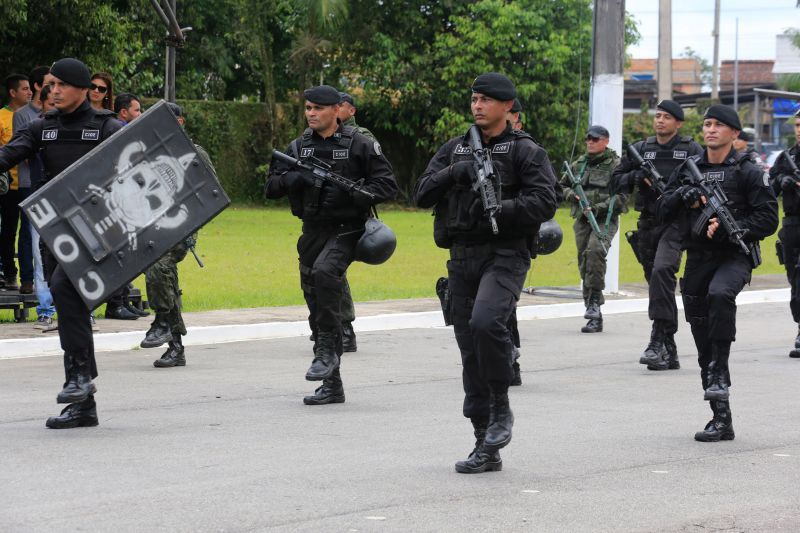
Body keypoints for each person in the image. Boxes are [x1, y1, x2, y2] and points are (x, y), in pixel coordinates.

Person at [414, 73, 558, 473]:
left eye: (485, 100)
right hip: (462, 256)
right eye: (474, 98)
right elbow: (420, 192)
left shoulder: (526, 151)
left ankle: (500, 407)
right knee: (469, 349)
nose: (477, 106)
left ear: (507, 107)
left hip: (506, 253)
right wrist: (452, 175)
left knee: (485, 322)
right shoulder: (455, 148)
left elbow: (546, 201)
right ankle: (485, 444)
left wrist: (502, 210)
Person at [0, 58, 124, 428]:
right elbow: (9, 154)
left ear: (83, 89)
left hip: (97, 233)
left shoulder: (107, 126)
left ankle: (79, 379)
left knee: (62, 289)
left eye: (60, 84)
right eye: (49, 84)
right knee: (70, 307)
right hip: (56, 232)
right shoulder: (43, 127)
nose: (52, 90)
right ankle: (83, 403)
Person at [266, 85, 397, 406]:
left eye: (317, 108)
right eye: (307, 107)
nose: (310, 113)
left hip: (349, 229)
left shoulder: (360, 145)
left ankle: (326, 349)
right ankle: (332, 383)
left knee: (326, 274)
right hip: (312, 231)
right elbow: (270, 187)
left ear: (336, 110)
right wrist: (292, 180)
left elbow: (388, 185)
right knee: (314, 294)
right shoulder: (298, 147)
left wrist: (358, 193)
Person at [656, 104, 778, 442]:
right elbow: (662, 209)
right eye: (707, 124)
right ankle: (721, 418)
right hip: (698, 259)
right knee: (700, 336)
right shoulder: (688, 169)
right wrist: (684, 194)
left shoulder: (748, 171)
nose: (710, 130)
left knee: (720, 295)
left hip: (735, 255)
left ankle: (720, 369)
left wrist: (731, 227)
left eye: (718, 125)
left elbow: (768, 218)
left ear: (734, 134)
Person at [611, 100, 703, 370]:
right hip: (648, 223)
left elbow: (704, 180)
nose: (660, 120)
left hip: (676, 224)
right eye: (658, 116)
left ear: (679, 123)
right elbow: (615, 181)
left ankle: (657, 337)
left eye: (666, 117)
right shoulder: (641, 149)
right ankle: (669, 348)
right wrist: (636, 177)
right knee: (657, 283)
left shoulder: (690, 149)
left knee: (663, 271)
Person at [139, 103, 208, 367]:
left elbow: (211, 193)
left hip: (181, 226)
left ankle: (161, 322)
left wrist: (190, 228)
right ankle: (175, 346)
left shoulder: (195, 153)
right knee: (166, 280)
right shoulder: (148, 154)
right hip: (151, 226)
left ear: (180, 123)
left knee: (158, 268)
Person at [561, 125, 625, 333]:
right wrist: (573, 196)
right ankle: (592, 311)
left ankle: (595, 303)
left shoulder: (616, 165)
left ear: (606, 141)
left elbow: (622, 198)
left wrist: (597, 208)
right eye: (588, 138)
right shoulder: (579, 164)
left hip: (604, 220)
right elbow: (560, 186)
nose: (590, 142)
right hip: (582, 220)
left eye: (595, 139)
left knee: (595, 252)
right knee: (584, 259)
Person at [769, 109, 800, 358]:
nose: (799, 129)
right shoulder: (786, 157)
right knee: (794, 276)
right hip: (792, 224)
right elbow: (769, 184)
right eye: (797, 125)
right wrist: (783, 182)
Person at [0, 73, 32, 290]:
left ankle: (28, 278)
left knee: (28, 232)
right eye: (24, 89)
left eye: (31, 88)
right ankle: (9, 274)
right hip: (9, 186)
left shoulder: (32, 116)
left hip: (28, 183)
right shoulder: (2, 116)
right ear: (13, 93)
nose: (29, 92)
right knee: (8, 230)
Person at [29, 83, 57, 329]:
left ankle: (82, 311)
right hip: (41, 201)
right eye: (51, 104)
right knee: (42, 257)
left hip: (71, 203)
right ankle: (46, 311)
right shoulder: (36, 129)